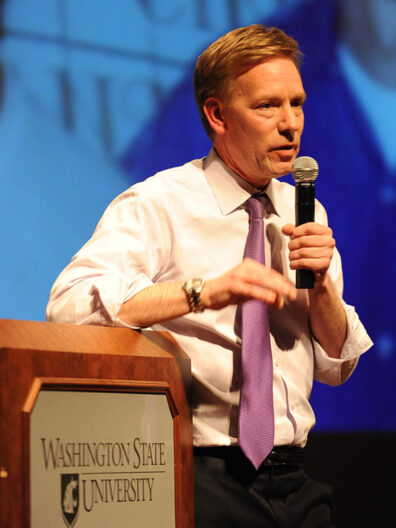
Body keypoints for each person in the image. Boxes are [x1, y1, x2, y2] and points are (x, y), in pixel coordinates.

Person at [47, 24, 372, 527]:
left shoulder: (307, 211)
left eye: (297, 104)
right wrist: (205, 291)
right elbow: (70, 305)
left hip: (296, 479)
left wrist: (324, 284)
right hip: (202, 475)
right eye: (267, 106)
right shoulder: (160, 203)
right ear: (217, 114)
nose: (291, 124)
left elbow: (335, 363)